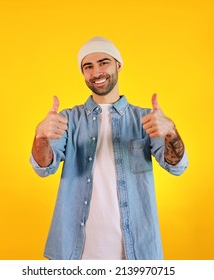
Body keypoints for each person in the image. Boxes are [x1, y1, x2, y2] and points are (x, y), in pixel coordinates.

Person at [30, 36, 188, 260]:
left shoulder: (144, 119)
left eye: (104, 62)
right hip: (75, 251)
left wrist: (171, 132)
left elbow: (176, 166)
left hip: (136, 252)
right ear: (83, 73)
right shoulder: (68, 119)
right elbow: (44, 167)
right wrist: (40, 138)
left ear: (118, 65)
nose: (97, 72)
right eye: (88, 66)